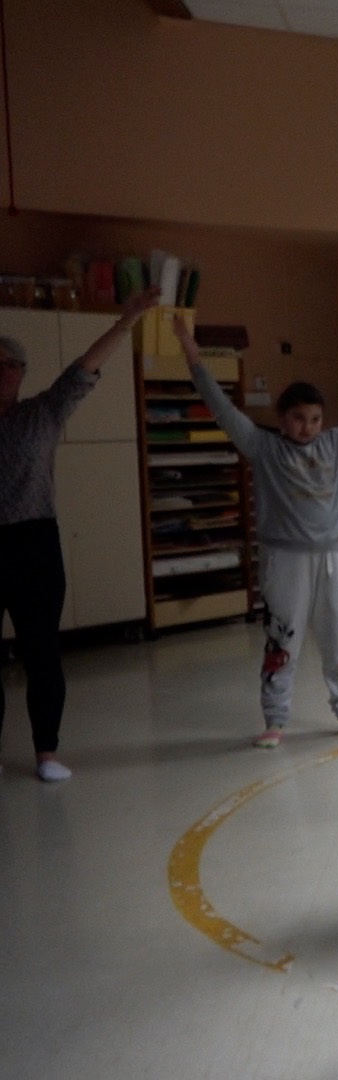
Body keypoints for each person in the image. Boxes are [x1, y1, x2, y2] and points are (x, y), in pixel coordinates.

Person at [173, 315, 338, 749]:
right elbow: (221, 408)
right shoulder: (264, 447)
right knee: (282, 637)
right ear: (282, 418)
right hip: (285, 558)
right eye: (298, 418)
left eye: (314, 418)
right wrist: (193, 356)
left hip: (336, 554)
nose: (307, 427)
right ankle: (275, 718)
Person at [0, 288, 159, 781]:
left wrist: (124, 323)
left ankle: (46, 751)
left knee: (42, 652)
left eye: (7, 364)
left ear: (20, 374)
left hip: (34, 544)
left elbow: (83, 372)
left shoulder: (40, 414)